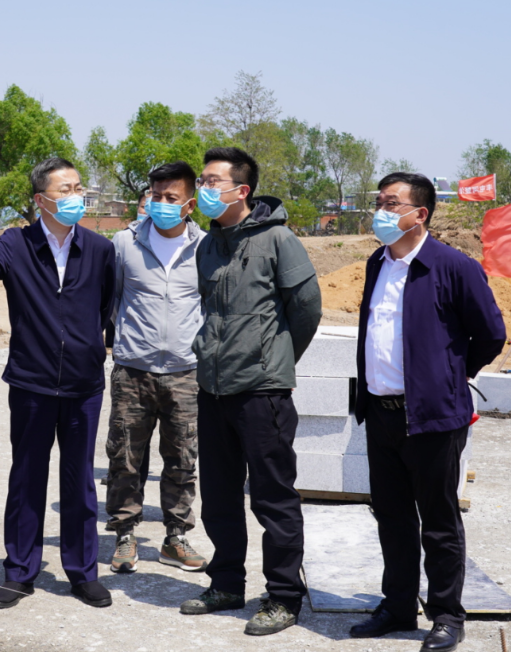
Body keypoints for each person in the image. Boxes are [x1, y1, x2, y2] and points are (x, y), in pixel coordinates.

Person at [0, 157, 116, 610]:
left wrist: (89, 348)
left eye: (78, 188)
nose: (75, 197)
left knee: (80, 483)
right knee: (27, 478)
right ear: (40, 200)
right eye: (64, 190)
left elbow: (106, 308)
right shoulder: (17, 243)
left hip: (83, 386)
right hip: (32, 384)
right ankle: (19, 571)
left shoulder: (99, 248)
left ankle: (82, 572)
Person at [348, 172, 505, 652]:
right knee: (391, 516)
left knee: (438, 521)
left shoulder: (453, 266)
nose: (380, 212)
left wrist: (449, 376)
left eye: (390, 204)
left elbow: (491, 334)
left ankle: (446, 615)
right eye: (379, 202)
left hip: (432, 417)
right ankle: (397, 605)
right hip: (381, 413)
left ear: (420, 214)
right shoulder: (377, 263)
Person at [180, 147, 322, 637]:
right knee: (219, 496)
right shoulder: (208, 245)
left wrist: (274, 359)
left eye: (211, 181)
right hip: (213, 388)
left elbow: (306, 310)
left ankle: (283, 596)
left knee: (272, 499)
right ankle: (226, 584)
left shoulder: (279, 240)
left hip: (262, 392)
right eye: (202, 180)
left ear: (241, 190)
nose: (203, 188)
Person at [106, 161, 207, 575]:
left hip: (186, 372)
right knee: (125, 457)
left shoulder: (206, 247)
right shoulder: (124, 243)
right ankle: (125, 534)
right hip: (133, 370)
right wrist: (126, 342)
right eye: (156, 195)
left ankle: (175, 537)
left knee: (182, 457)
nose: (161, 203)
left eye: (171, 197)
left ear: (189, 204)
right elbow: (110, 299)